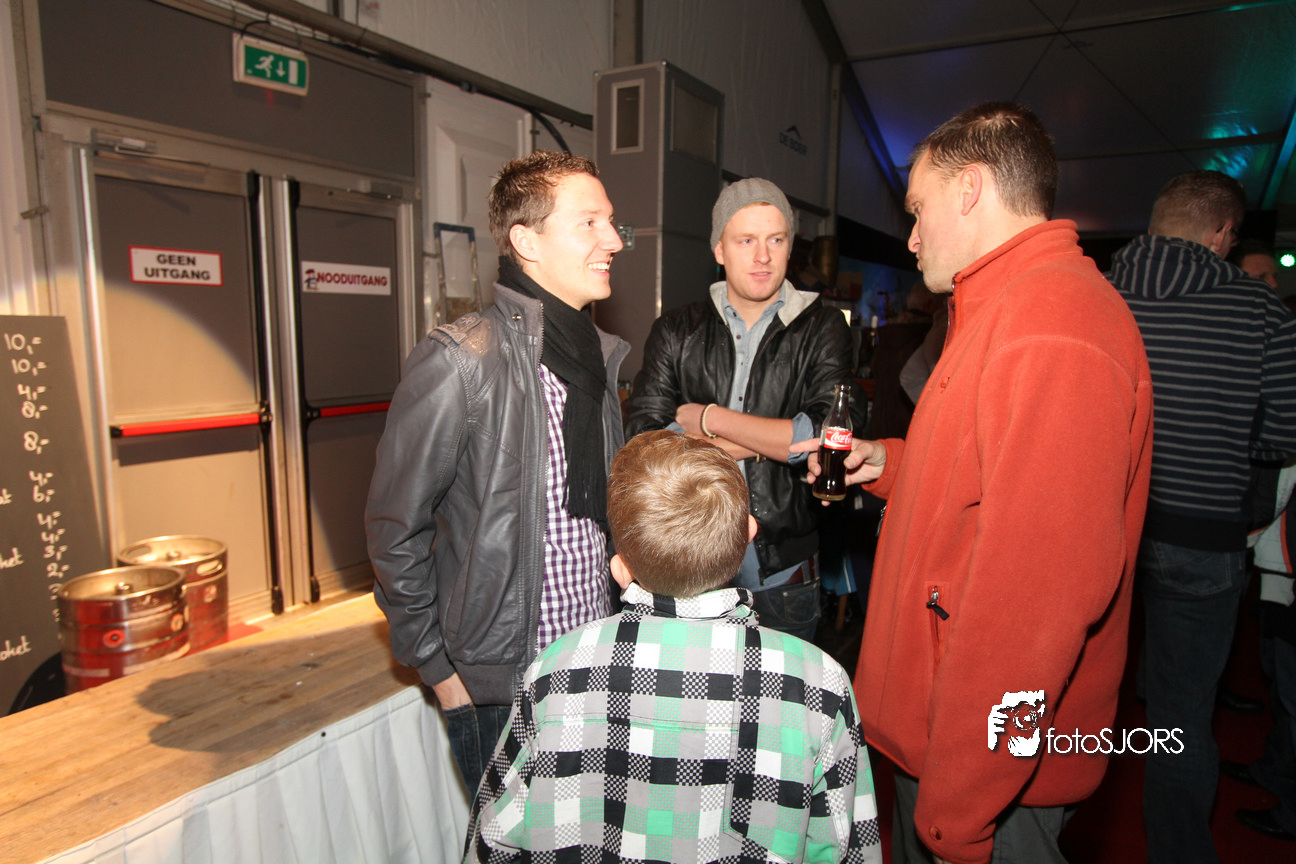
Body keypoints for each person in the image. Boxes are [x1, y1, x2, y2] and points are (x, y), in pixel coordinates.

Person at [799, 102, 1154, 864]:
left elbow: (1036, 599)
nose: (911, 236)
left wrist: (959, 807)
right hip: (953, 739)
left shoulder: (1053, 324)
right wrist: (893, 465)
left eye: (917, 209)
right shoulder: (1003, 305)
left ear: (971, 189)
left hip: (987, 769)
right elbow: (985, 480)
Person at [463, 430, 883, 864]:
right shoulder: (819, 682)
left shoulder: (557, 670)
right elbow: (848, 847)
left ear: (620, 570)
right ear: (749, 533)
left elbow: (492, 842)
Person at [365, 151, 629, 797]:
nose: (613, 241)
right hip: (505, 687)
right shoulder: (461, 361)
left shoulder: (596, 361)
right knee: (516, 842)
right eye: (589, 223)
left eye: (610, 222)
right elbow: (393, 530)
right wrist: (439, 671)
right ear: (526, 241)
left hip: (595, 662)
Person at [1107, 169, 1296, 864]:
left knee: (1069, 697)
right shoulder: (1259, 309)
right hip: (1203, 533)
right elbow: (1286, 430)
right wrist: (1227, 438)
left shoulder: (1099, 292)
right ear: (1222, 232)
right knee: (1182, 718)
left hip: (1105, 530)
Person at [624, 177, 863, 642]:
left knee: (788, 691)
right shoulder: (676, 329)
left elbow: (825, 430)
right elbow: (644, 437)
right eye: (746, 240)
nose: (763, 256)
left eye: (776, 240)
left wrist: (709, 419)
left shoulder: (824, 327)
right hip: (685, 559)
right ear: (719, 249)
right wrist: (768, 442)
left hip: (782, 569)